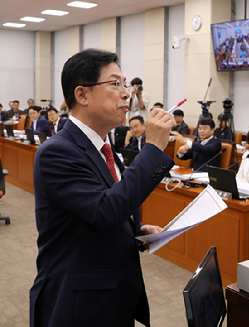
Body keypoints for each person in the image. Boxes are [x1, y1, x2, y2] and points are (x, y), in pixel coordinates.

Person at [29, 48, 175, 327]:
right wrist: (153, 147)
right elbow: (105, 210)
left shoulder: (105, 147)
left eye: (125, 84)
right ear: (82, 95)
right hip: (78, 304)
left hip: (113, 295)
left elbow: (106, 204)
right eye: (115, 84)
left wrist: (136, 229)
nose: (126, 93)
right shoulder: (57, 152)